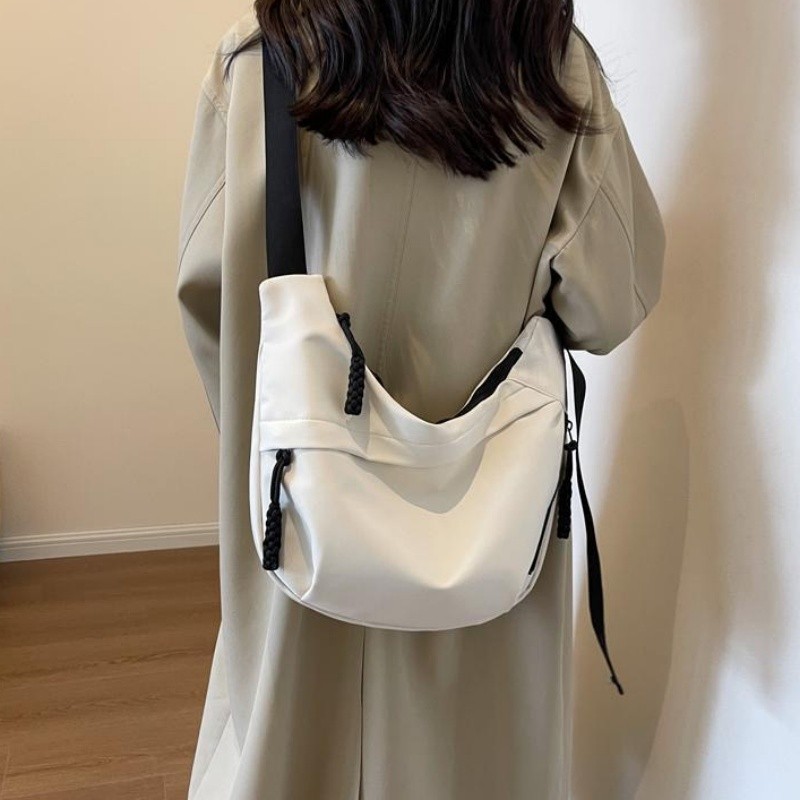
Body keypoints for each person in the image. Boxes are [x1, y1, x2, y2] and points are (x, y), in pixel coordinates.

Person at [176, 2, 666, 798]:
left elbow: (211, 305)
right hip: (488, 526)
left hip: (301, 512)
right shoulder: (552, 68)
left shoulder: (262, 65)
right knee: (480, 757)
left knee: (286, 743)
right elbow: (608, 305)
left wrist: (275, 430)